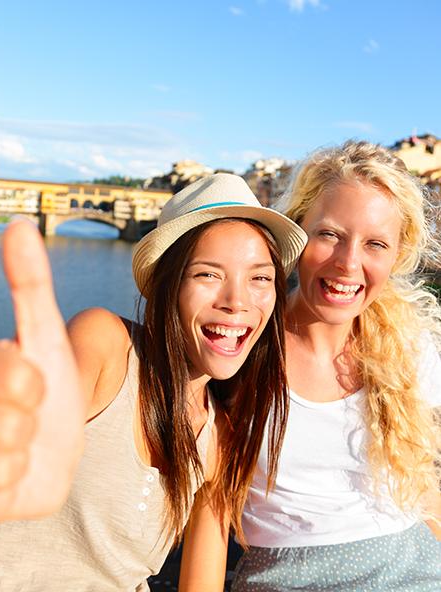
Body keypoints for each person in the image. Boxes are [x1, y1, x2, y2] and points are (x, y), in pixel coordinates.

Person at [0, 173, 307, 591]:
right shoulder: (105, 345)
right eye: (208, 274)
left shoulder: (219, 439)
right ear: (165, 286)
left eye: (260, 278)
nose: (237, 301)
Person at [180, 141, 441, 592]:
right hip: (287, 578)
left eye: (375, 244)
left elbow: (424, 488)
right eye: (330, 235)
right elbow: (212, 508)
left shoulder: (409, 345)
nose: (348, 263)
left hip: (415, 567)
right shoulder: (242, 345)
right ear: (297, 231)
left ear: (397, 255)